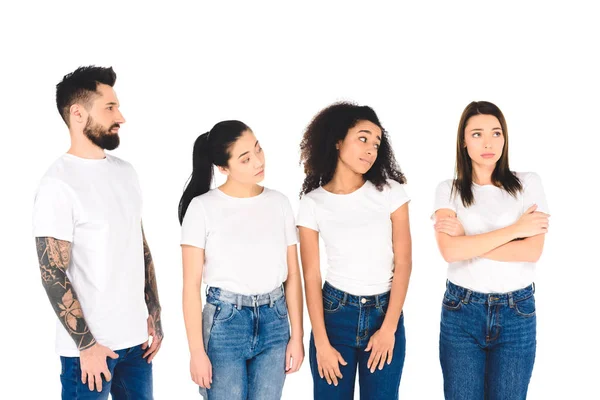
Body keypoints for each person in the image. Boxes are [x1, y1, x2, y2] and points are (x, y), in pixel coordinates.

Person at [33, 66, 163, 399]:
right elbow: (52, 270)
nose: (120, 117)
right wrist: (86, 346)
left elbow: (140, 246)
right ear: (78, 113)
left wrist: (154, 313)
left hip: (136, 346)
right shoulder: (58, 183)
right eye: (110, 107)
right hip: (89, 353)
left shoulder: (126, 173)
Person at [179, 120, 304, 399]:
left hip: (275, 321)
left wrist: (297, 336)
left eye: (258, 149)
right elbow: (190, 287)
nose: (258, 161)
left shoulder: (280, 203)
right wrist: (196, 351)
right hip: (225, 324)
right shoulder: (201, 208)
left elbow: (293, 276)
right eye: (245, 159)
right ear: (223, 168)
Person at [433, 101, 549, 400]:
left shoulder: (528, 183)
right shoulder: (448, 189)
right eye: (477, 134)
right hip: (462, 311)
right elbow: (449, 251)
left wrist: (468, 241)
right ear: (463, 141)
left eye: (496, 133)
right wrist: (515, 231)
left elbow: (531, 251)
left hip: (517, 312)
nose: (488, 142)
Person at [297, 102, 412, 399]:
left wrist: (389, 329)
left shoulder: (390, 193)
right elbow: (310, 275)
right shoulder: (313, 203)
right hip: (335, 317)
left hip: (385, 314)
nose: (371, 149)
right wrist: (321, 343)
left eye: (376, 143)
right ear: (337, 141)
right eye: (363, 138)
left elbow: (404, 263)